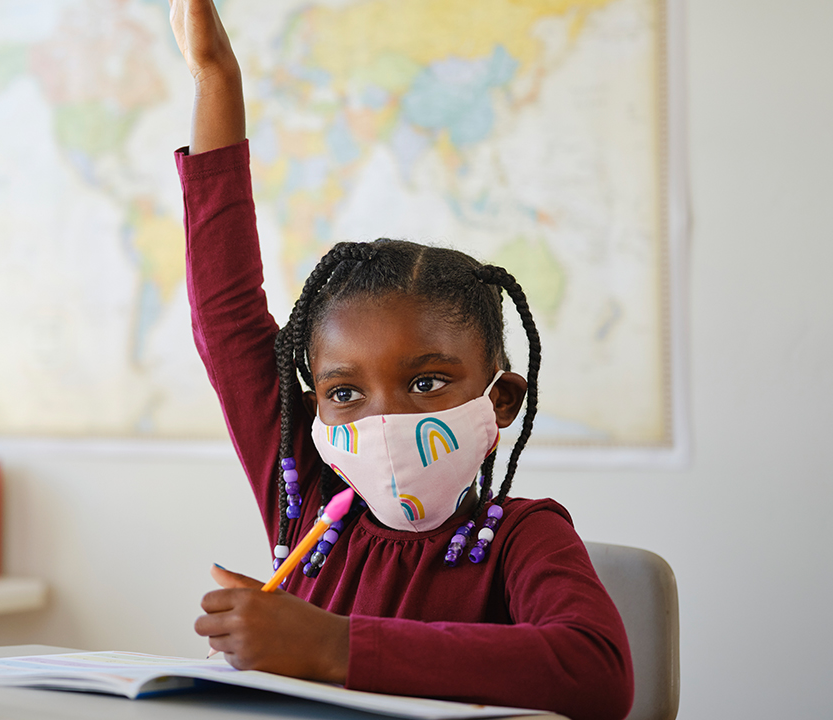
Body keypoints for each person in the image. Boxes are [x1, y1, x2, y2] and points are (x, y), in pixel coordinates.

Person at [168, 2, 634, 719]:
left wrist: (332, 646)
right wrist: (213, 80)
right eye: (345, 393)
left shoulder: (520, 537)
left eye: (425, 382)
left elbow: (596, 674)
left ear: (500, 401)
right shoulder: (305, 507)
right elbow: (225, 315)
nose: (383, 420)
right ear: (313, 403)